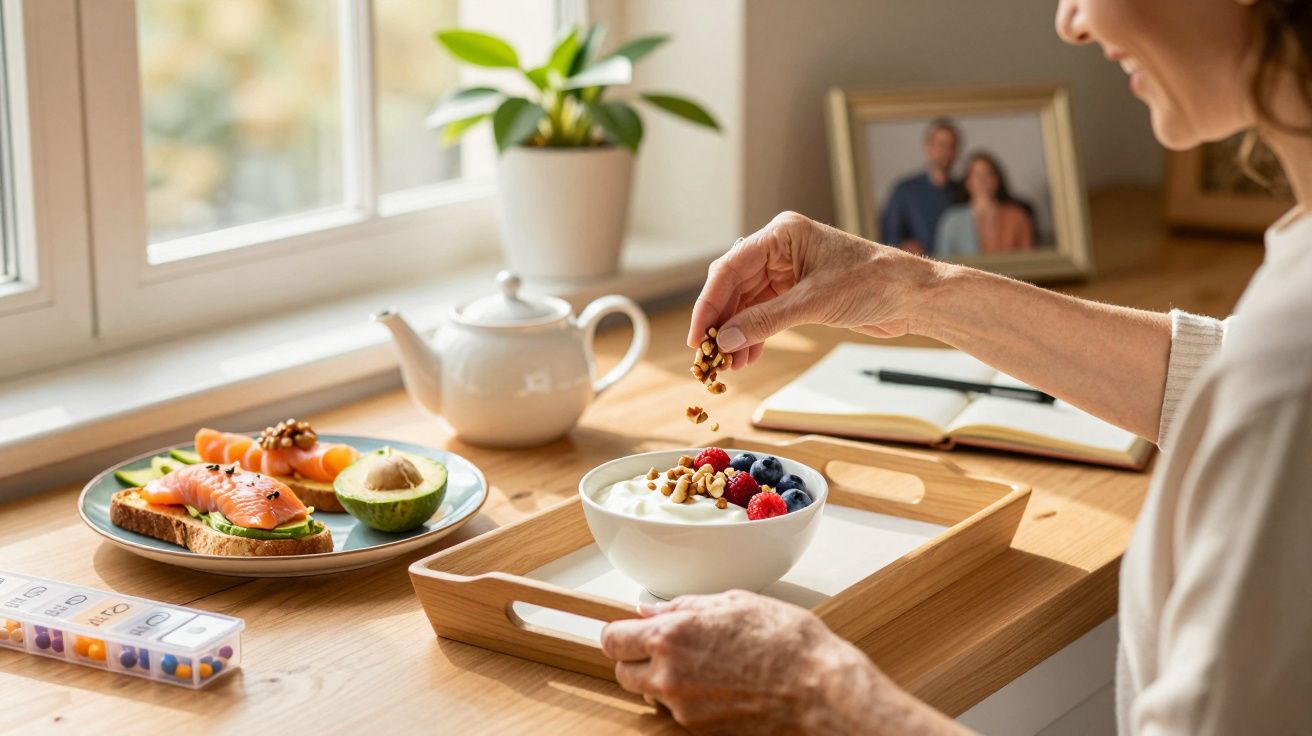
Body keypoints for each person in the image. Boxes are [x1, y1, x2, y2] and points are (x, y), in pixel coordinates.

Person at [601, 0, 1312, 733]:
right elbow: (1226, 375)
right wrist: (916, 289)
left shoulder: (1289, 377)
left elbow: (1272, 393)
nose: (1070, 21)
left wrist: (817, 690)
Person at [878, 118, 966, 256]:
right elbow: (889, 236)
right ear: (928, 147)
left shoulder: (964, 191)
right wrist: (904, 246)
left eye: (951, 146)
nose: (946, 152)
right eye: (941, 145)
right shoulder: (904, 190)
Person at [936, 152, 1036, 257]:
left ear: (997, 180)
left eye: (988, 174)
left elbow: (1029, 258)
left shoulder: (1017, 217)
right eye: (977, 175)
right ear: (968, 182)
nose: (982, 180)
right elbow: (943, 264)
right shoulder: (952, 220)